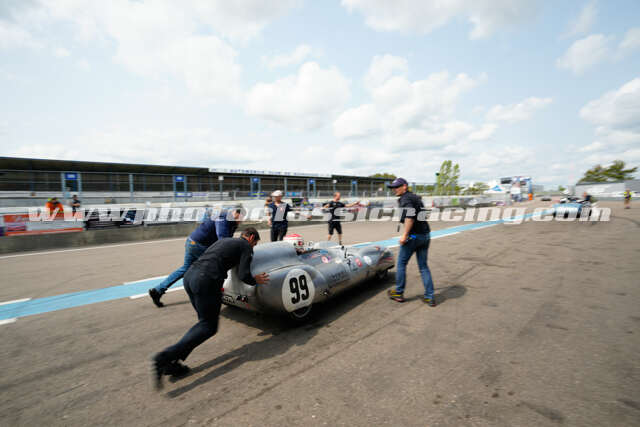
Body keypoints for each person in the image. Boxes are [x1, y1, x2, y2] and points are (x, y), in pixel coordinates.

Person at [151, 228, 269, 389]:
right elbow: (244, 275)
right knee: (208, 326)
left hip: (190, 277)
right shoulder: (245, 246)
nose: (253, 247)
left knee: (202, 324)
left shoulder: (225, 241)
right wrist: (256, 280)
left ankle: (172, 362)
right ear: (251, 238)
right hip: (205, 280)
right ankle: (164, 357)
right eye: (255, 244)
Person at [148, 210, 219, 307]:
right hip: (199, 245)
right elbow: (222, 239)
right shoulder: (223, 221)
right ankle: (211, 295)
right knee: (212, 267)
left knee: (185, 269)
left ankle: (157, 290)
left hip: (191, 241)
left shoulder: (215, 218)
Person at [387, 177, 435, 307]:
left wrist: (405, 235)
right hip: (425, 235)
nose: (394, 190)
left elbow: (410, 216)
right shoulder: (416, 197)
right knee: (423, 267)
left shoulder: (406, 198)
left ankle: (398, 292)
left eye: (397, 187)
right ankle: (430, 297)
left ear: (404, 186)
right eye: (393, 188)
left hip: (413, 236)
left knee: (401, 264)